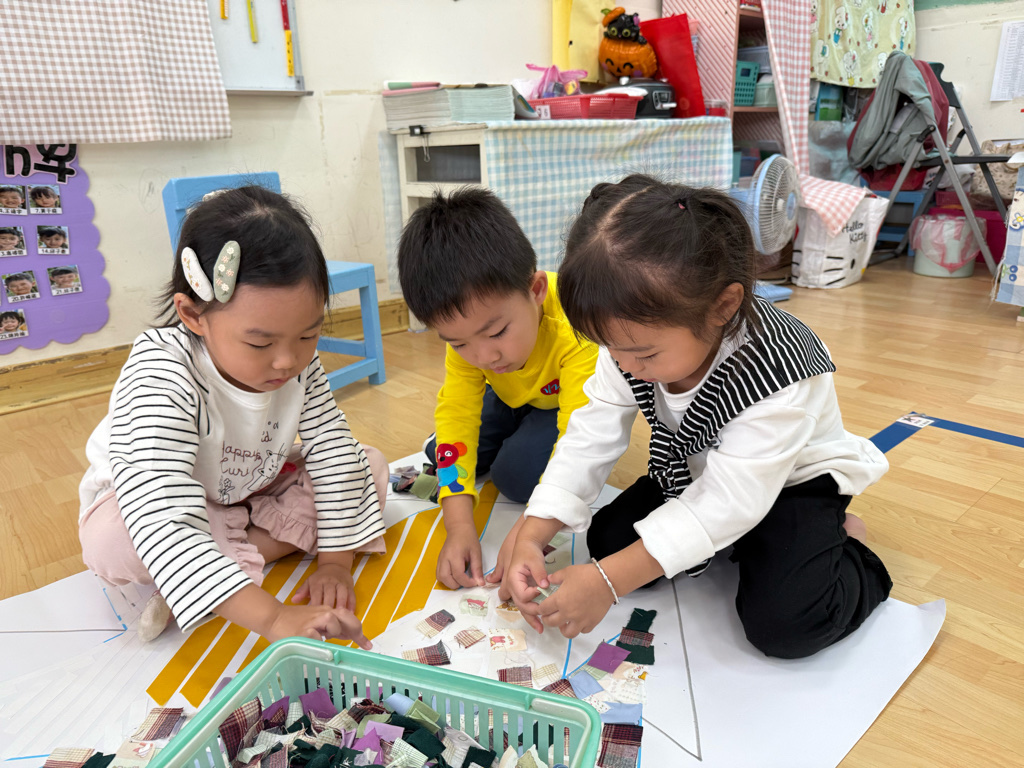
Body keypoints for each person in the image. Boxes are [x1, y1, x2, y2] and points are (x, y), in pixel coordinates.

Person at [504, 177, 892, 660]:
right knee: (606, 541)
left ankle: (851, 548)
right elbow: (591, 434)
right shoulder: (631, 339)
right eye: (610, 348)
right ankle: (737, 545)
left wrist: (607, 582)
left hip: (792, 484)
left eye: (643, 354)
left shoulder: (779, 371)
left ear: (723, 307)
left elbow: (731, 500)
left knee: (786, 625)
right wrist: (534, 531)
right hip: (698, 471)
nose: (624, 365)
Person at [78, 186, 388, 646]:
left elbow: (332, 446)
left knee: (369, 466)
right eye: (260, 343)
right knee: (112, 542)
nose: (287, 361)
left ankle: (198, 573)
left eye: (308, 335)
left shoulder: (298, 364)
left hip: (249, 488)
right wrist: (274, 618)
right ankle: (204, 571)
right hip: (153, 496)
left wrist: (335, 563)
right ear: (193, 315)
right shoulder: (161, 370)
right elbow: (157, 503)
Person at [397, 188, 597, 590]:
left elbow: (580, 436)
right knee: (445, 452)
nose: (484, 356)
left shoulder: (577, 326)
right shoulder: (473, 341)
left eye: (497, 332)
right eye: (459, 343)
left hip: (559, 407)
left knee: (516, 477)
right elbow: (458, 408)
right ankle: (500, 432)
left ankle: (513, 438)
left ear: (536, 290)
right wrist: (458, 527)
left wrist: (528, 533)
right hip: (507, 396)